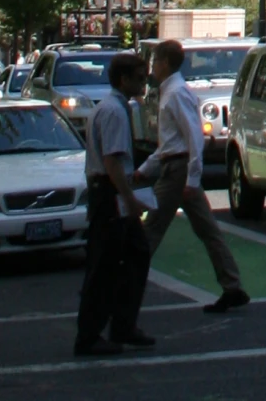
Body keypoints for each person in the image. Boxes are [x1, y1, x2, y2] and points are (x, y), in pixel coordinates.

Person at [136, 41, 250, 314]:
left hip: (177, 172)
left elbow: (193, 137)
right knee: (207, 230)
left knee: (150, 229)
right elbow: (172, 143)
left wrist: (190, 179)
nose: (152, 67)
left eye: (155, 61)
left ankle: (125, 287)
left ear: (164, 62)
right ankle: (232, 286)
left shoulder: (175, 94)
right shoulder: (172, 92)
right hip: (176, 168)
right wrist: (147, 168)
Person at [74, 53, 155, 358]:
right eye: (139, 77)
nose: (144, 82)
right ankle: (89, 335)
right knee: (104, 266)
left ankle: (123, 324)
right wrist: (129, 197)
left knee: (136, 254)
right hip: (110, 194)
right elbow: (110, 160)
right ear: (124, 79)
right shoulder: (114, 112)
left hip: (111, 190)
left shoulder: (113, 108)